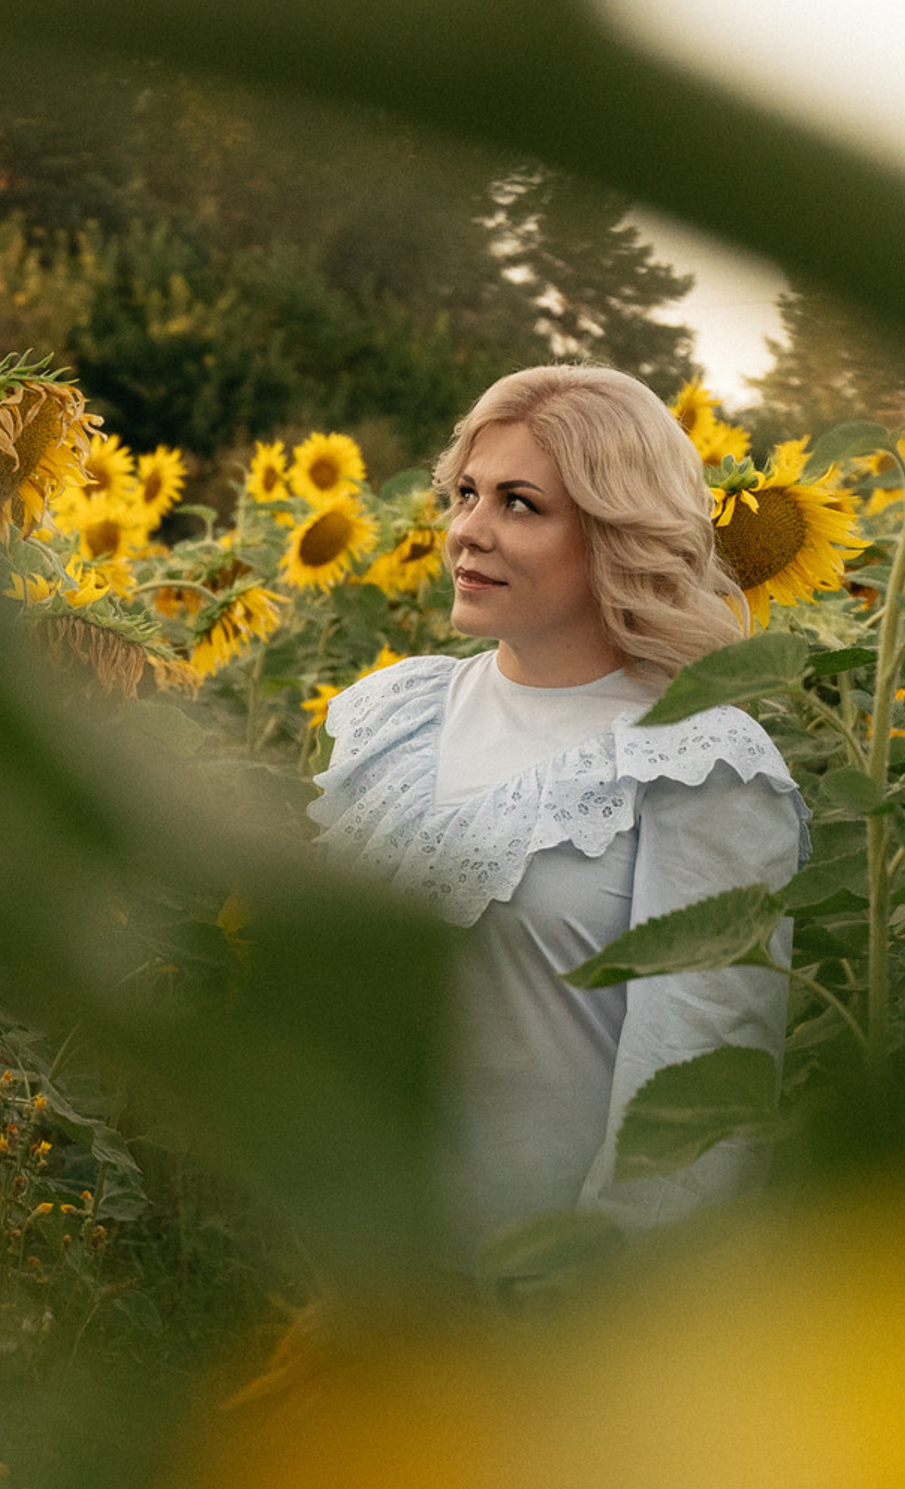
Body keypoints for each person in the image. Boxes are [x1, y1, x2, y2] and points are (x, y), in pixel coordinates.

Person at [309, 365, 808, 1259]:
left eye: (519, 504)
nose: (468, 531)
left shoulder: (697, 759)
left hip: (548, 1317)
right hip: (358, 1294)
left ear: (617, 532)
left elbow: (696, 1112)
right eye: (465, 493)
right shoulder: (389, 717)